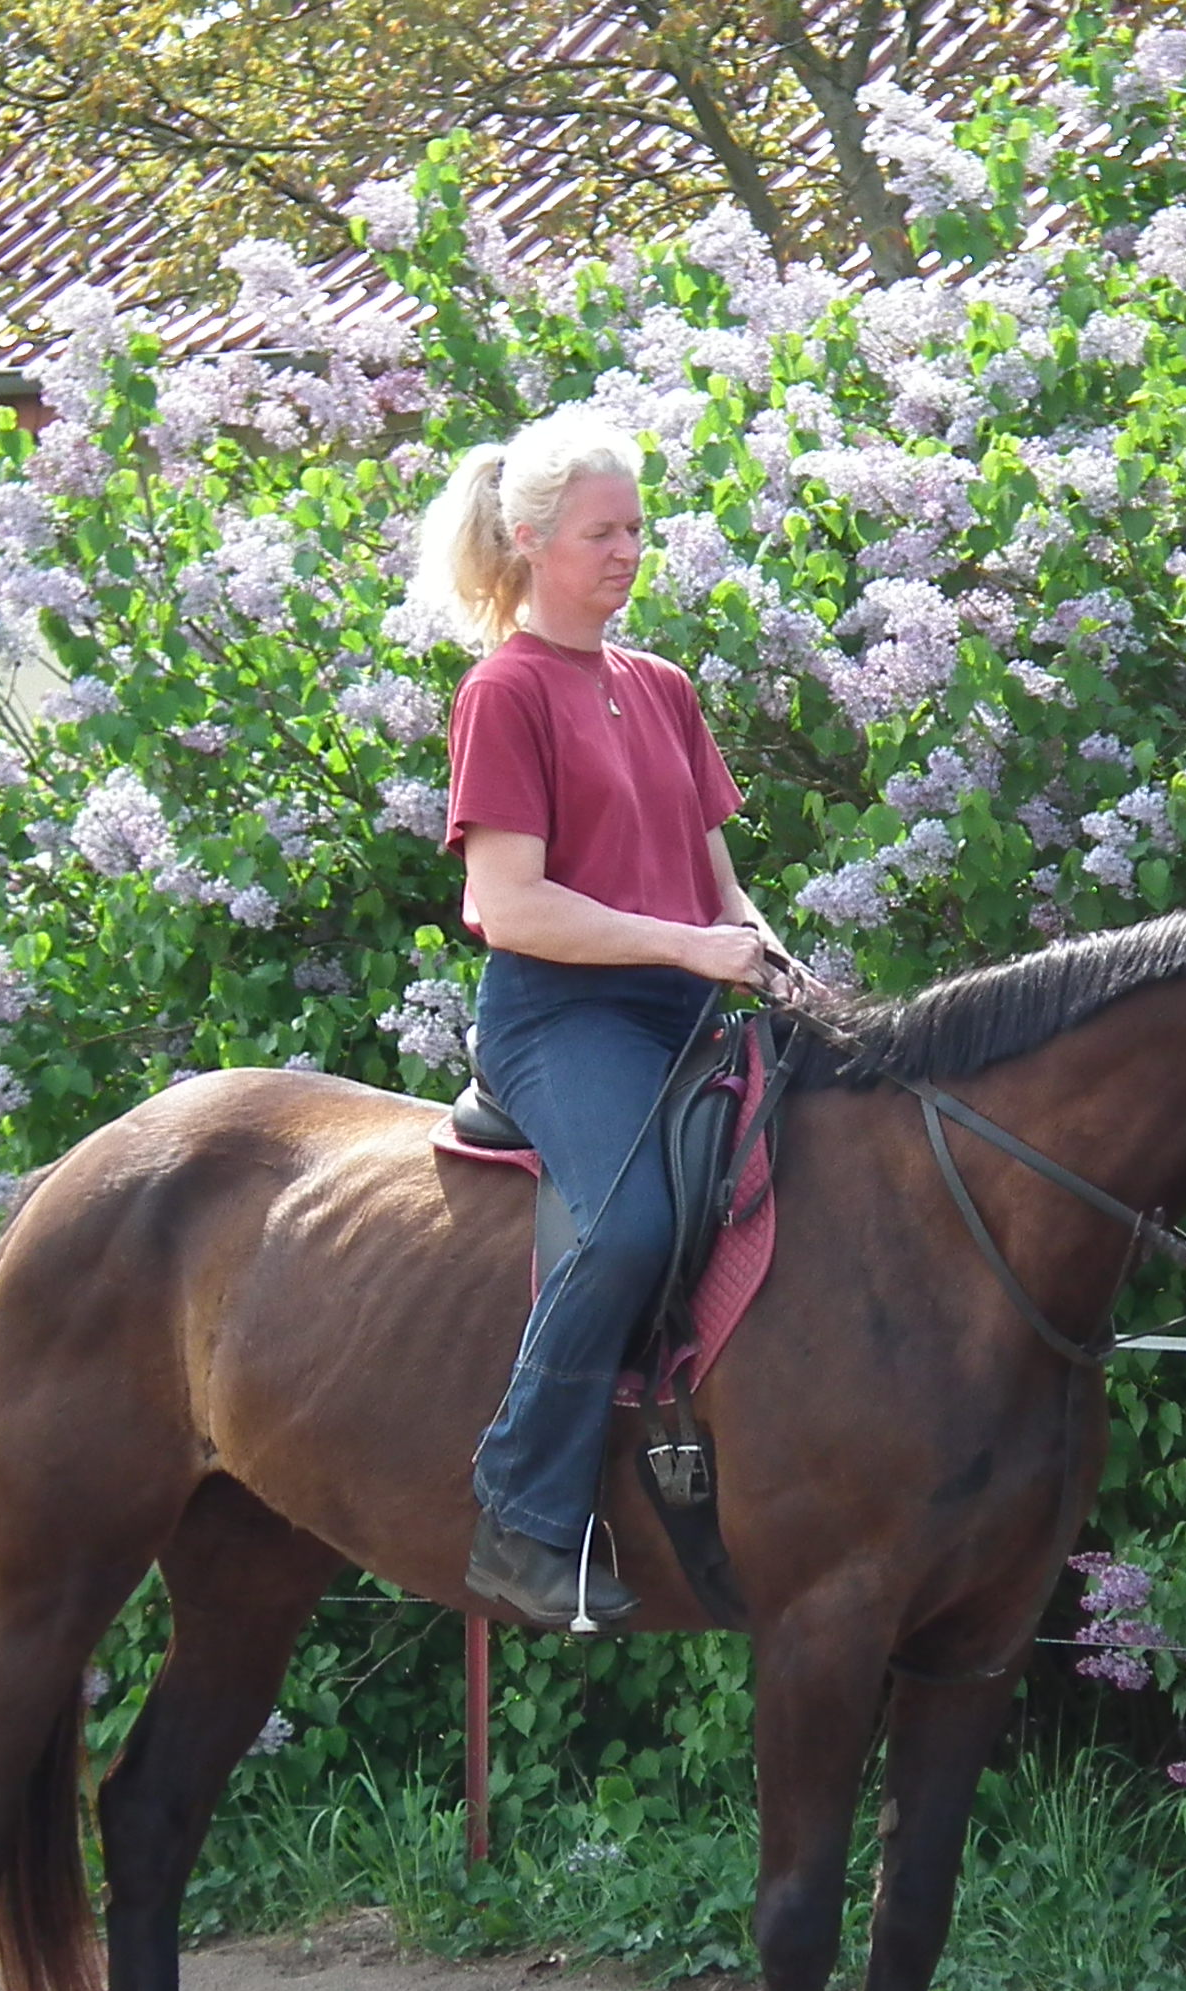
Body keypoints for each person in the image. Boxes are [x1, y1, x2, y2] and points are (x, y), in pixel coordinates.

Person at [413, 409, 794, 1633]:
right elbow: (511, 906)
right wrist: (693, 946)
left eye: (636, 528)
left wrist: (776, 965)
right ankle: (521, 1517)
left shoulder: (664, 688)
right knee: (629, 1224)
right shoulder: (505, 692)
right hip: (560, 1018)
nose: (628, 551)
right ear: (529, 543)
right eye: (600, 532)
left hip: (687, 1008)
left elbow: (715, 876)